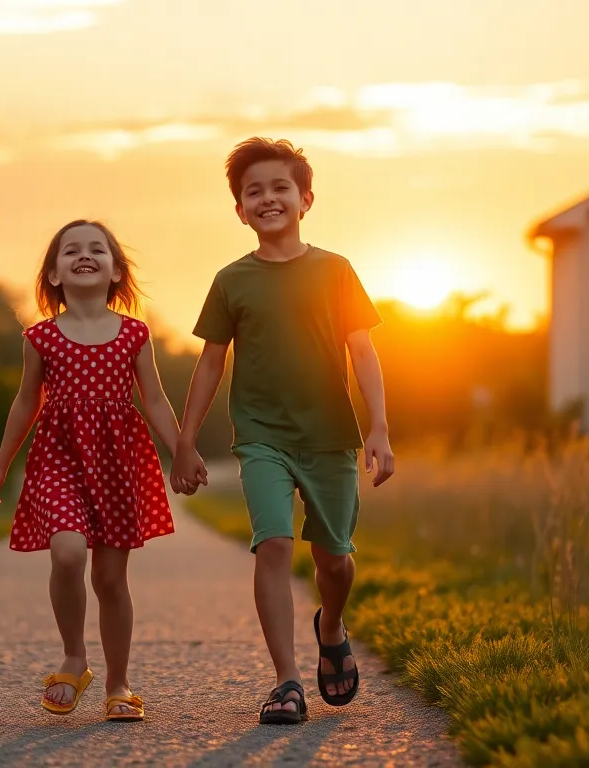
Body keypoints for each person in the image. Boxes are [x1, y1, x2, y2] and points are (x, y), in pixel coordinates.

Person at [171, 138, 395, 725]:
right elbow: (212, 363)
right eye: (253, 191)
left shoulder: (336, 270)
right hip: (260, 435)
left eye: (279, 188)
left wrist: (380, 429)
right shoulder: (230, 281)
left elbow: (364, 352)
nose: (267, 198)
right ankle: (287, 682)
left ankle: (332, 624)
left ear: (306, 199)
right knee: (272, 543)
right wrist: (186, 440)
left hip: (329, 436)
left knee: (334, 561)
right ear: (240, 210)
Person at [0, 219, 203, 723]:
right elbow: (25, 402)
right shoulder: (40, 338)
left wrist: (182, 448)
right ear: (53, 274)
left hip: (118, 459)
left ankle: (118, 685)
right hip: (59, 457)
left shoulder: (134, 334)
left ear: (116, 269)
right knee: (68, 550)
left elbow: (157, 400)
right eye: (70, 250)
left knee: (110, 578)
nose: (84, 255)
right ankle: (75, 657)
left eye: (97, 249)